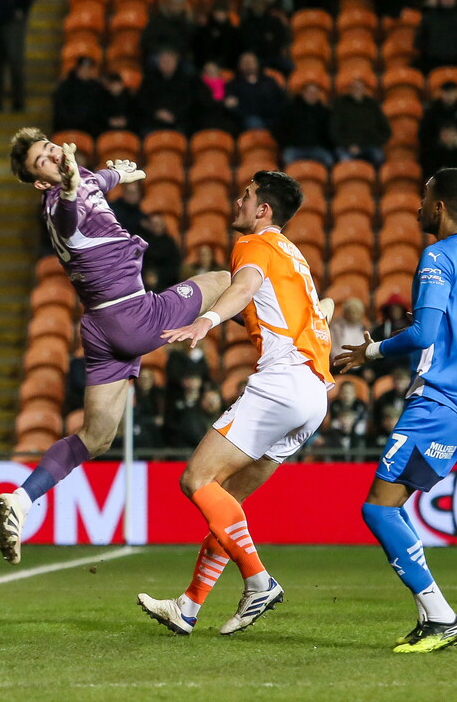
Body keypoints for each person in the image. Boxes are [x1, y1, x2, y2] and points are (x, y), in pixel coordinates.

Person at [0, 129, 231, 564]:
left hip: (101, 328)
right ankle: (290, 325)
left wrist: (114, 173)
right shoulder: (58, 204)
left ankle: (22, 500)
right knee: (224, 280)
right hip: (132, 313)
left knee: (96, 439)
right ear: (42, 182)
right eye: (43, 162)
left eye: (50, 149)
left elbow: (94, 181)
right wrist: (67, 185)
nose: (53, 157)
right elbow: (71, 202)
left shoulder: (82, 176)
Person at [137, 171, 335, 636]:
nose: (238, 201)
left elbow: (243, 288)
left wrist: (204, 321)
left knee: (196, 479)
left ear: (263, 210)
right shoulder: (294, 255)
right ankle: (188, 606)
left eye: (246, 196)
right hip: (314, 394)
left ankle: (259, 582)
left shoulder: (255, 245)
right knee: (229, 504)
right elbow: (320, 308)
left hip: (282, 383)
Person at [334, 167, 457, 653]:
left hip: (434, 400)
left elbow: (423, 335)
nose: (417, 206)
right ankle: (428, 616)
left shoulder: (437, 256)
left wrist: (366, 353)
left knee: (376, 508)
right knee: (392, 509)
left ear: (439, 207)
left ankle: (441, 617)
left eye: (423, 198)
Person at [329, 77, 392, 167]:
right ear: (349, 89)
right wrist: (348, 145)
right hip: (346, 146)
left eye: (359, 87)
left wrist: (372, 143)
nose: (356, 90)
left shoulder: (372, 105)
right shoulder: (340, 105)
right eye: (354, 87)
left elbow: (386, 131)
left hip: (369, 145)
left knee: (379, 158)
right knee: (343, 160)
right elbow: (334, 131)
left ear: (364, 89)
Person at [224, 52, 287, 133]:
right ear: (239, 65)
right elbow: (232, 105)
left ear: (257, 64)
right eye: (245, 63)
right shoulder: (233, 84)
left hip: (272, 116)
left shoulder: (269, 81)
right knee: (253, 122)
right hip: (249, 118)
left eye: (251, 62)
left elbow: (281, 99)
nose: (248, 65)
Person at [274, 81, 333, 167]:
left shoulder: (323, 112)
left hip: (316, 148)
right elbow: (279, 128)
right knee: (287, 159)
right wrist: (287, 143)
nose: (312, 95)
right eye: (309, 92)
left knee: (329, 160)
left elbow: (328, 132)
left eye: (315, 93)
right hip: (295, 148)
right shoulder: (291, 109)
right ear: (303, 93)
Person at [52, 56, 104, 135]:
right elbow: (60, 107)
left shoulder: (96, 87)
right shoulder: (66, 86)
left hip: (91, 129)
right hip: (68, 127)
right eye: (83, 68)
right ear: (78, 69)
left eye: (88, 69)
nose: (86, 71)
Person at [141, 0, 194, 64]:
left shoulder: (187, 23)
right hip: (158, 56)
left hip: (179, 58)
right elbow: (146, 42)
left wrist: (175, 55)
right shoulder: (157, 20)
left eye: (179, 4)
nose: (176, 7)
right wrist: (164, 53)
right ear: (168, 3)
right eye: (173, 3)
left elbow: (190, 45)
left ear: (183, 5)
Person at [192, 0, 241, 71]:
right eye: (218, 11)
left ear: (227, 13)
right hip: (205, 67)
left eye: (223, 12)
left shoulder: (233, 31)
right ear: (213, 12)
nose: (220, 14)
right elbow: (198, 50)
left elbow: (235, 52)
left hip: (227, 68)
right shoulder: (204, 30)